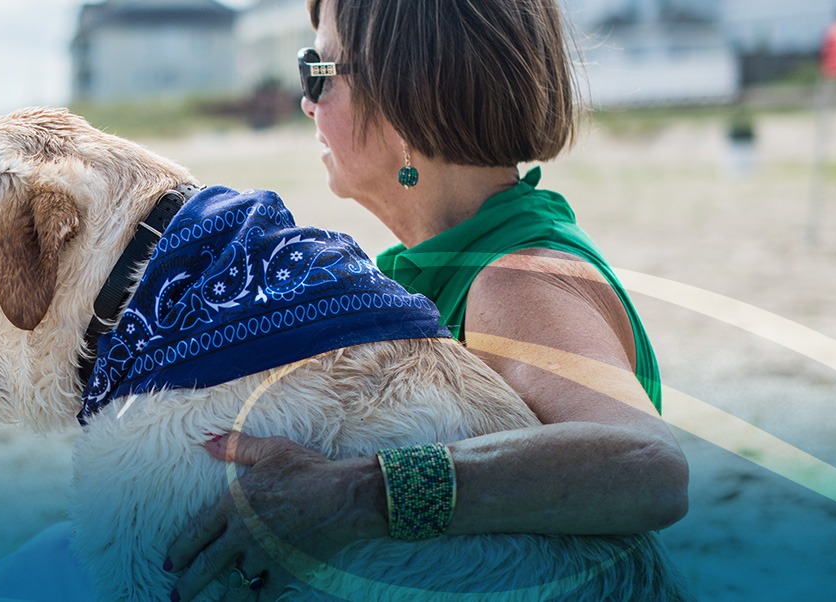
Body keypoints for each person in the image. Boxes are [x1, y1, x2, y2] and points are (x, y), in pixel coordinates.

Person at [162, 0, 689, 599]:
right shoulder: (444, 267)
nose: (306, 100)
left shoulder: (515, 280)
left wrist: (354, 494)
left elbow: (648, 468)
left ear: (406, 100)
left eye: (318, 71)